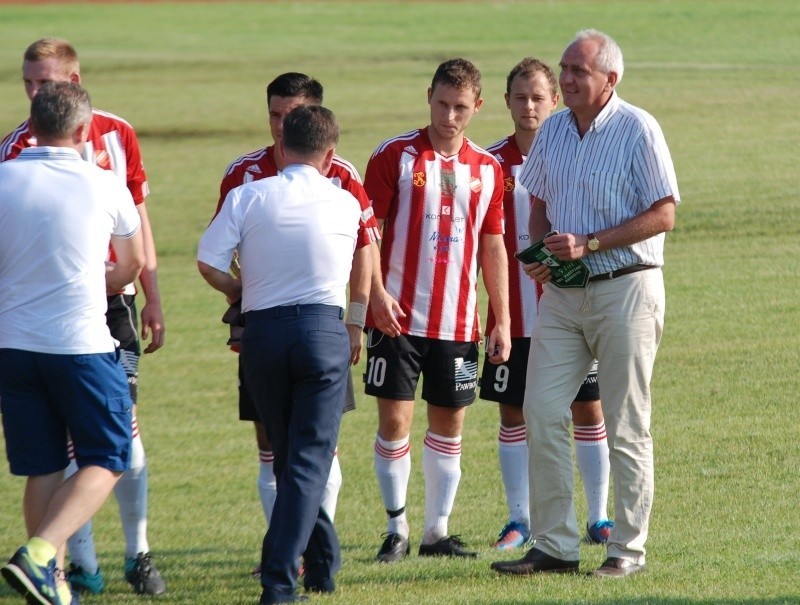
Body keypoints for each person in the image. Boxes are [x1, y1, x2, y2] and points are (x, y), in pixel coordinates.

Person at [490, 29, 680, 578]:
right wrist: (540, 252)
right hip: (564, 295)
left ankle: (627, 550)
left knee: (625, 421)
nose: (567, 79)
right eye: (564, 69)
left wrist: (590, 244)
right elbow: (540, 204)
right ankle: (555, 545)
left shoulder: (638, 128)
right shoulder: (551, 130)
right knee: (542, 410)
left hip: (627, 288)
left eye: (579, 71)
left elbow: (664, 212)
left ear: (609, 80)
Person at [0, 38, 167, 596]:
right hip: (79, 342)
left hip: (14, 347)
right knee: (110, 453)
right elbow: (133, 262)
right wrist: (94, 284)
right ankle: (41, 553)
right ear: (81, 133)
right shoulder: (102, 182)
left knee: (43, 466)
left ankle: (56, 583)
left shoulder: (3, 175)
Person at [199, 104, 372, 604]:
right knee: (308, 461)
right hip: (322, 330)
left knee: (286, 458)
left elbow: (207, 261)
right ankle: (280, 581)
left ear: (281, 147)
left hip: (264, 335)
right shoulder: (342, 201)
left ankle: (320, 563)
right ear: (330, 154)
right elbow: (364, 254)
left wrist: (237, 290)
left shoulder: (247, 195)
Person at [364, 58, 511, 562]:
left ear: (478, 107)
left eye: (461, 108)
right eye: (442, 104)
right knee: (395, 424)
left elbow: (494, 246)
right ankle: (396, 528)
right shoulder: (395, 156)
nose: (450, 116)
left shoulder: (487, 170)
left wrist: (502, 318)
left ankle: (436, 532)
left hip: (457, 323)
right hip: (396, 319)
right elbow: (369, 233)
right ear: (429, 96)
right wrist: (375, 296)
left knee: (450, 426)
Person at [480, 57, 613, 551]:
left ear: (554, 100)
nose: (529, 106)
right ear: (507, 101)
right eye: (520, 96)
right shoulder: (489, 164)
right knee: (513, 413)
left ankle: (599, 518)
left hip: (575, 307)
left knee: (588, 408)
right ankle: (520, 520)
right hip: (512, 314)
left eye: (538, 97)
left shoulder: (573, 155)